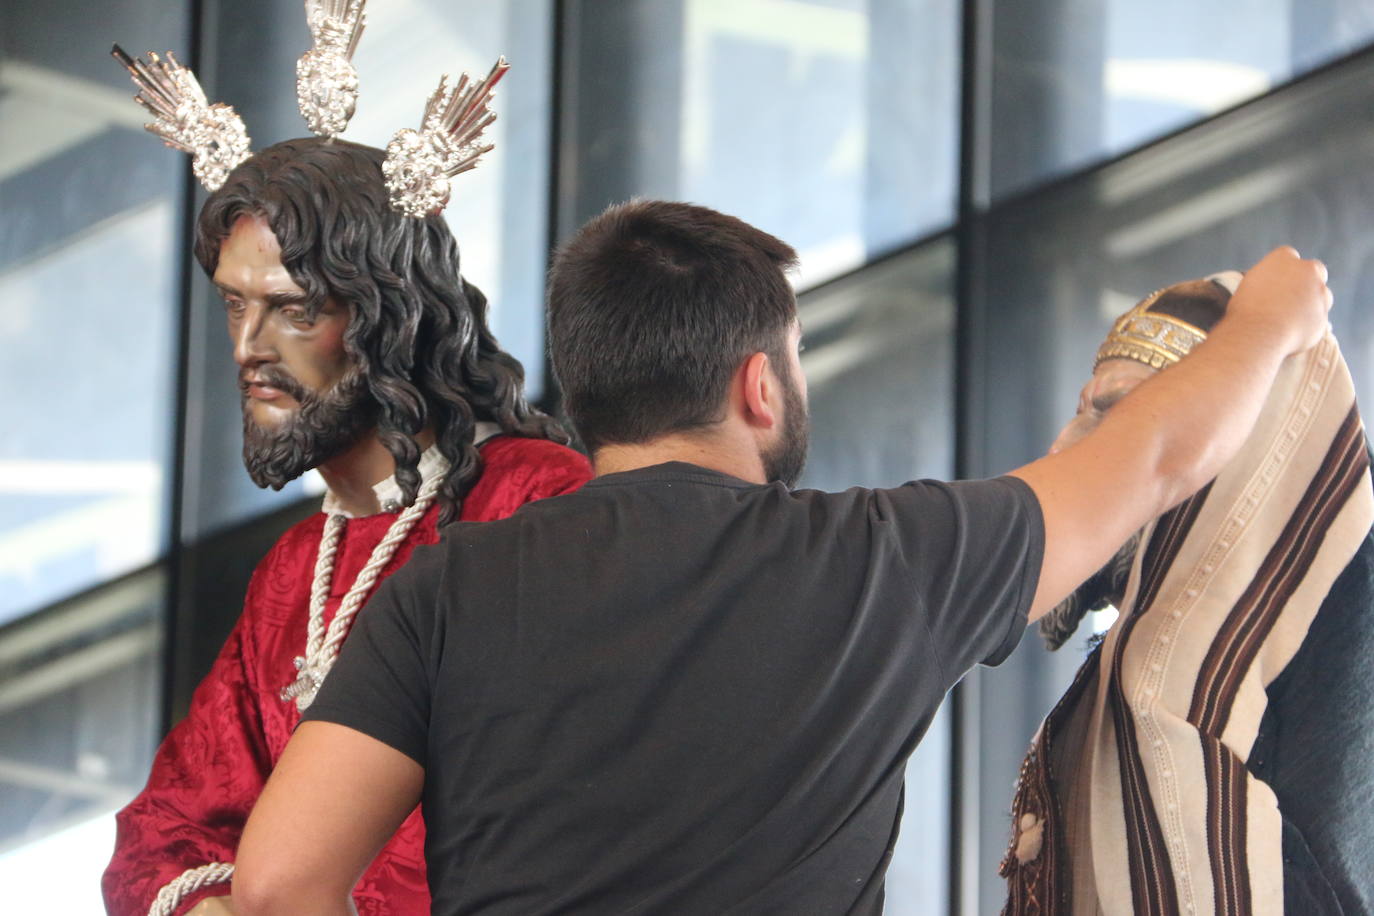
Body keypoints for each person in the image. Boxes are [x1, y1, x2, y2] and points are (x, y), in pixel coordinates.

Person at [228, 200, 1330, 915]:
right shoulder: (877, 562)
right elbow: (1155, 456)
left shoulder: (446, 586)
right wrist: (1270, 321)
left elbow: (278, 885)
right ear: (760, 384)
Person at [101, 138, 592, 916]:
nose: (246, 349)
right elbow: (170, 819)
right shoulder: (294, 569)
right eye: (235, 304)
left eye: (294, 310)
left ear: (389, 315)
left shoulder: (530, 502)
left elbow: (554, 794)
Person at [1002, 276, 1374, 915]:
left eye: (1115, 414)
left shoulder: (1330, 671)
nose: (1063, 448)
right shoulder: (1112, 686)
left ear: (1241, 453)